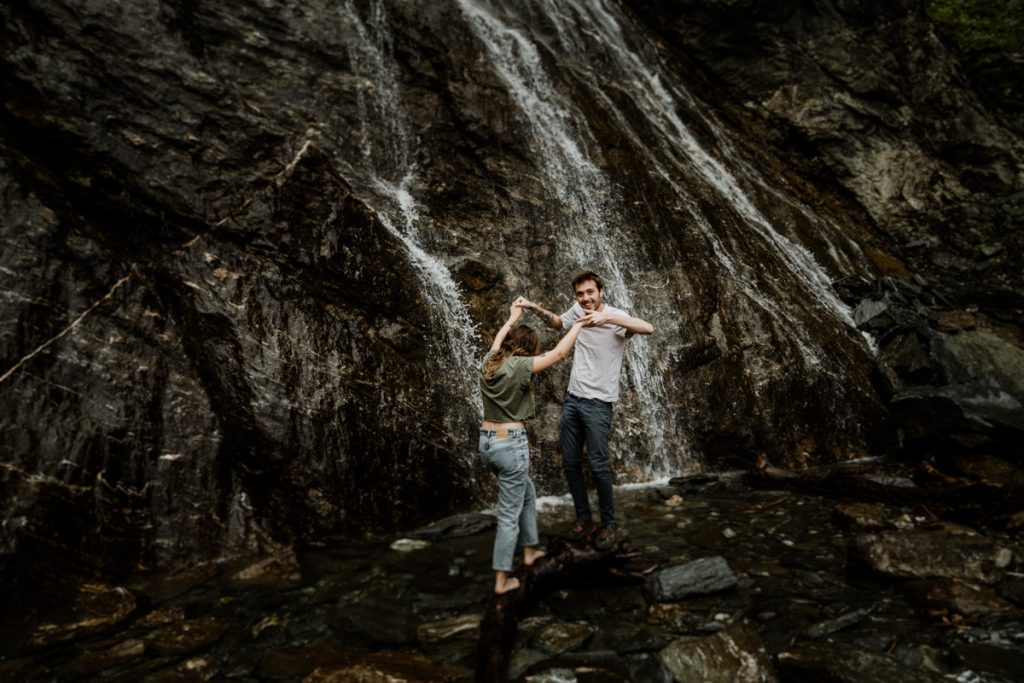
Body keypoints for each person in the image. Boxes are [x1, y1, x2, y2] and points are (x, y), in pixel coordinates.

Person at [516, 272, 654, 548]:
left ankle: (610, 524)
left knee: (599, 465)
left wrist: (608, 319)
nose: (586, 298)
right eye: (580, 294)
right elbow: (557, 323)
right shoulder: (578, 310)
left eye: (590, 292)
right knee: (570, 463)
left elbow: (647, 327)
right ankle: (583, 519)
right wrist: (534, 308)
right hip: (573, 399)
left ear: (601, 291)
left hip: (599, 403)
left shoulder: (616, 316)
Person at [479, 299, 591, 594]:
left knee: (526, 491)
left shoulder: (489, 362)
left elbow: (497, 341)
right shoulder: (521, 365)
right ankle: (502, 582)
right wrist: (578, 324)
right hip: (510, 445)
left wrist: (511, 318)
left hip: (488, 444)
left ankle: (530, 551)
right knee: (507, 516)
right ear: (528, 349)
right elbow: (560, 352)